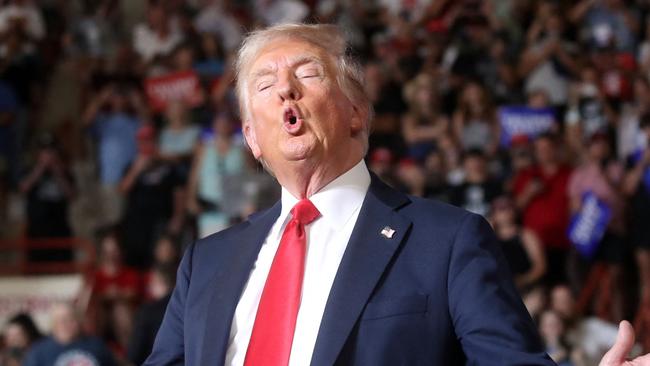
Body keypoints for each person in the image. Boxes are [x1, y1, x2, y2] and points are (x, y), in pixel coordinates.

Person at [146, 23, 650, 366]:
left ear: (356, 113)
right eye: (264, 84)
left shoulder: (448, 242)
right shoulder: (205, 263)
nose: (285, 90)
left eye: (306, 73)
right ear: (252, 137)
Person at [22, 302, 115, 366]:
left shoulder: (97, 345)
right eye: (60, 320)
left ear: (79, 321)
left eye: (70, 319)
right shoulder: (38, 351)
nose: (65, 324)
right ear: (52, 324)